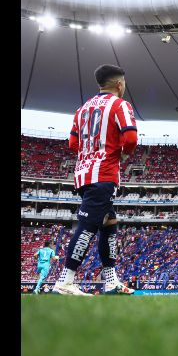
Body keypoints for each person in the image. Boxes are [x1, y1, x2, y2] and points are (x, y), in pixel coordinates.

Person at [53, 64, 138, 296]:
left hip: (83, 175)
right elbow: (130, 138)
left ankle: (111, 280)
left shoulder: (82, 109)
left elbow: (72, 144)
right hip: (104, 174)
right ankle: (65, 280)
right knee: (88, 227)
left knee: (110, 223)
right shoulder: (120, 105)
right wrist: (122, 153)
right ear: (119, 84)